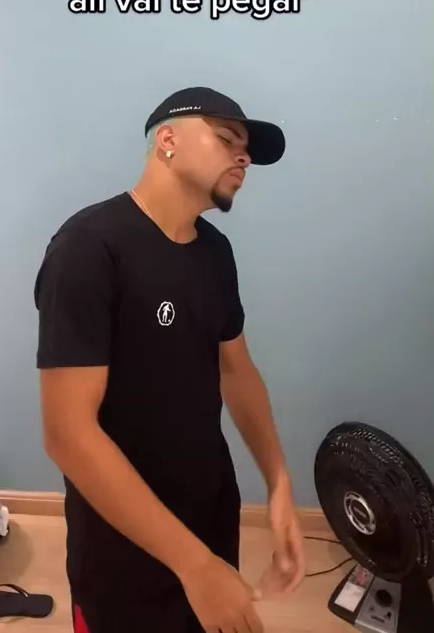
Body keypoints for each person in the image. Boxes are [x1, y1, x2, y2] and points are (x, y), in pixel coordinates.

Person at [35, 86, 306, 633]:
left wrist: (279, 483)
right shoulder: (88, 247)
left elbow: (237, 370)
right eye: (227, 139)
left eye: (248, 152)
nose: (243, 159)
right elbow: (67, 434)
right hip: (121, 542)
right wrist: (192, 564)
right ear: (167, 140)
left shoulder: (215, 252)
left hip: (210, 511)